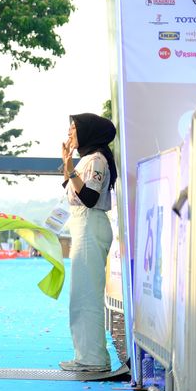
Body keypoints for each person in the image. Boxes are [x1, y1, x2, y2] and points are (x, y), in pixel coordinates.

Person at [59, 112, 117, 373]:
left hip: (91, 225)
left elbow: (90, 198)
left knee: (87, 296)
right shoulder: (87, 160)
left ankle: (93, 359)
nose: (69, 133)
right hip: (83, 225)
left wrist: (72, 169)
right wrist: (67, 163)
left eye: (73, 129)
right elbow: (70, 189)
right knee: (81, 294)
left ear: (88, 132)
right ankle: (86, 355)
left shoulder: (96, 160)